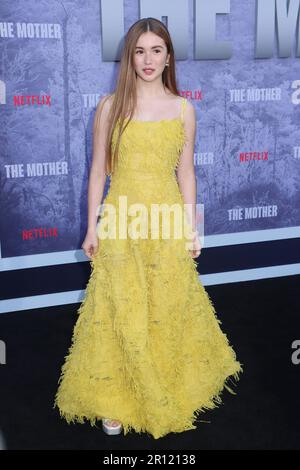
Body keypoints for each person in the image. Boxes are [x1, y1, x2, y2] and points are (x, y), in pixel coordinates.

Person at [53, 17, 243, 440]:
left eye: (156, 50)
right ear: (129, 58)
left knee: (165, 302)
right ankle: (115, 396)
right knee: (119, 306)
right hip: (121, 217)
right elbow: (98, 171)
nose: (148, 59)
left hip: (166, 219)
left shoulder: (183, 108)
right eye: (140, 51)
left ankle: (166, 380)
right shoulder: (109, 106)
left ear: (169, 56)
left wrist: (193, 229)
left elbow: (187, 173)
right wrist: (91, 228)